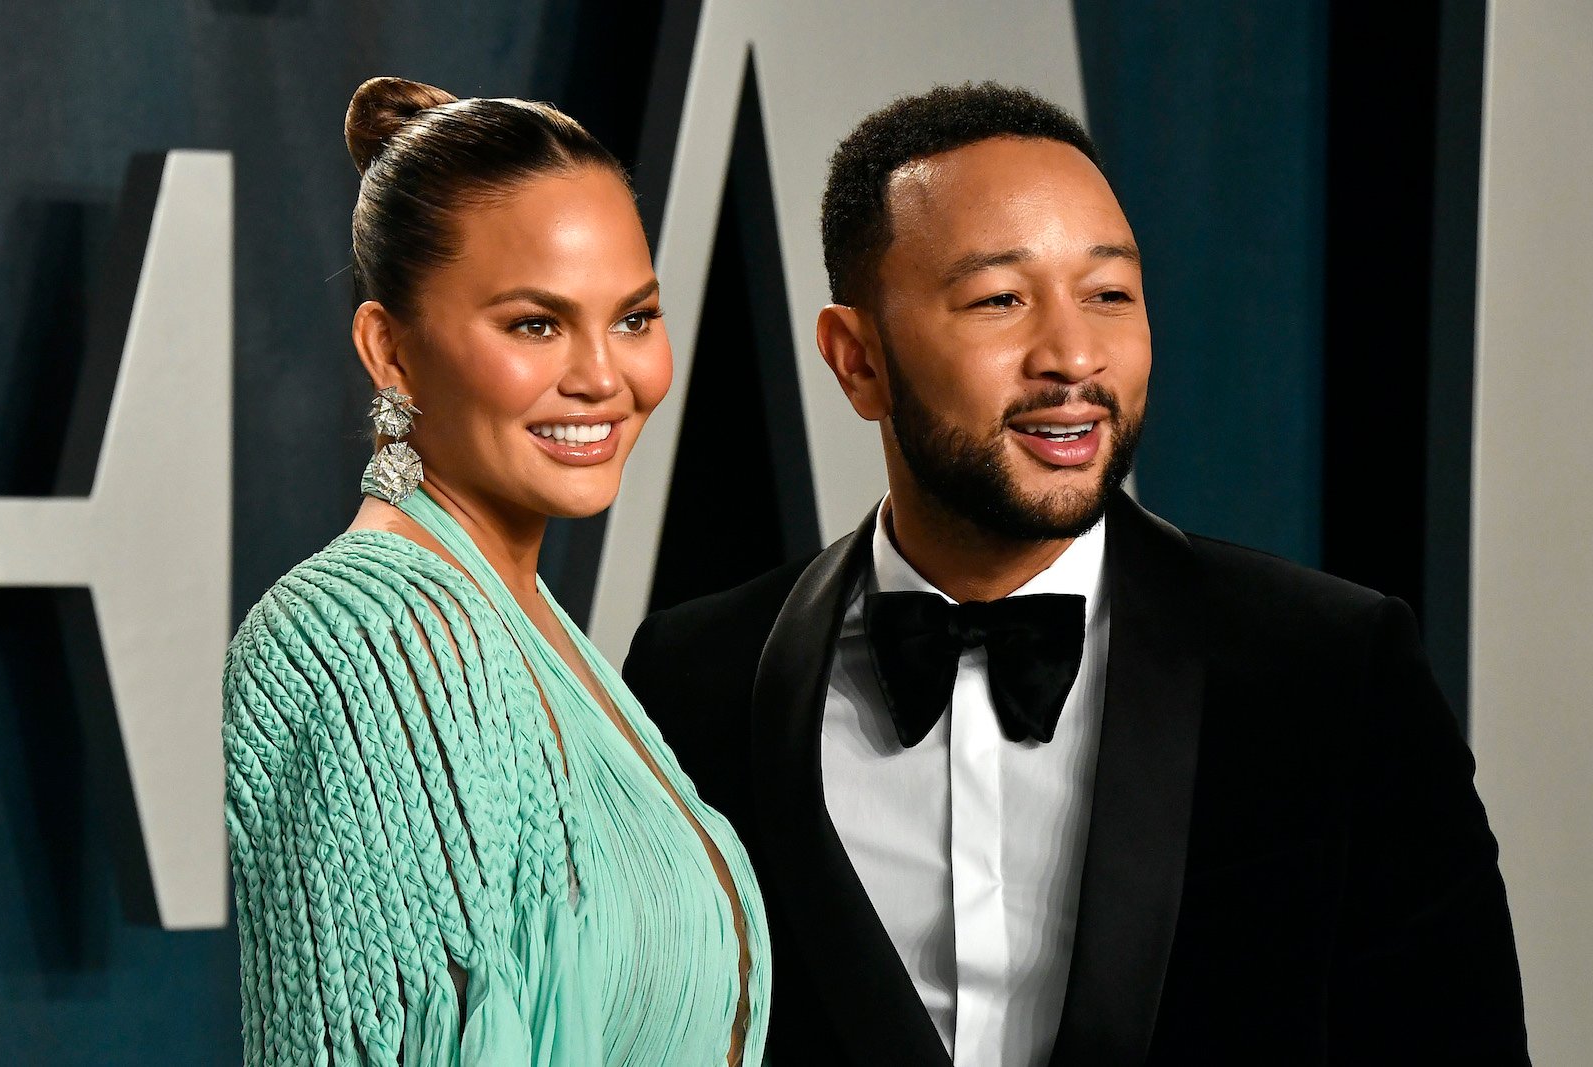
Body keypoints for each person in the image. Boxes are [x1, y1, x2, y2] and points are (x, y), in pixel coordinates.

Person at [621, 82, 1527, 1065]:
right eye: (1000, 299)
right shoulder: (696, 675)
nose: (1073, 355)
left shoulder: (1331, 666)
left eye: (1108, 294)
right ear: (856, 360)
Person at [223, 77, 768, 1067]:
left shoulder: (528, 624)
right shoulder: (378, 639)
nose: (605, 375)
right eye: (536, 324)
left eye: (635, 317)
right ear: (389, 349)